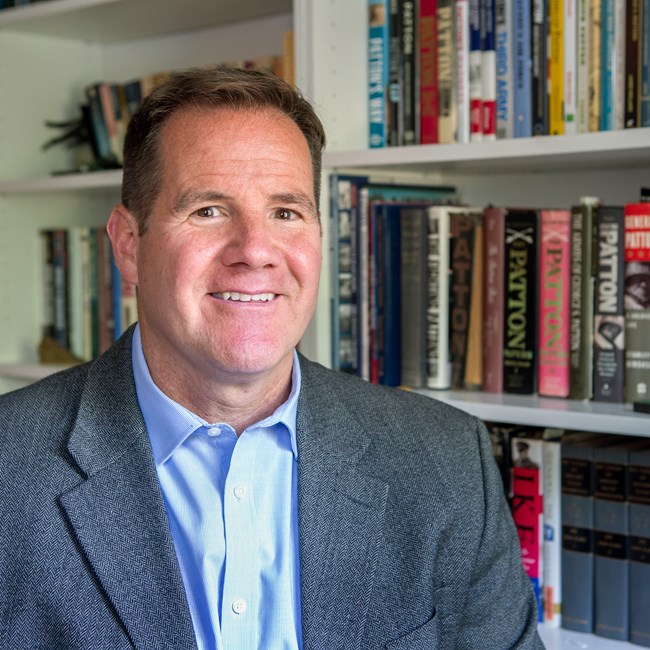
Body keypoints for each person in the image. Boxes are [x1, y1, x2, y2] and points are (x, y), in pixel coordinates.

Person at [0, 66, 543, 649]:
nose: (255, 251)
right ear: (129, 246)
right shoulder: (12, 467)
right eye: (208, 210)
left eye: (286, 212)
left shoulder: (446, 463)